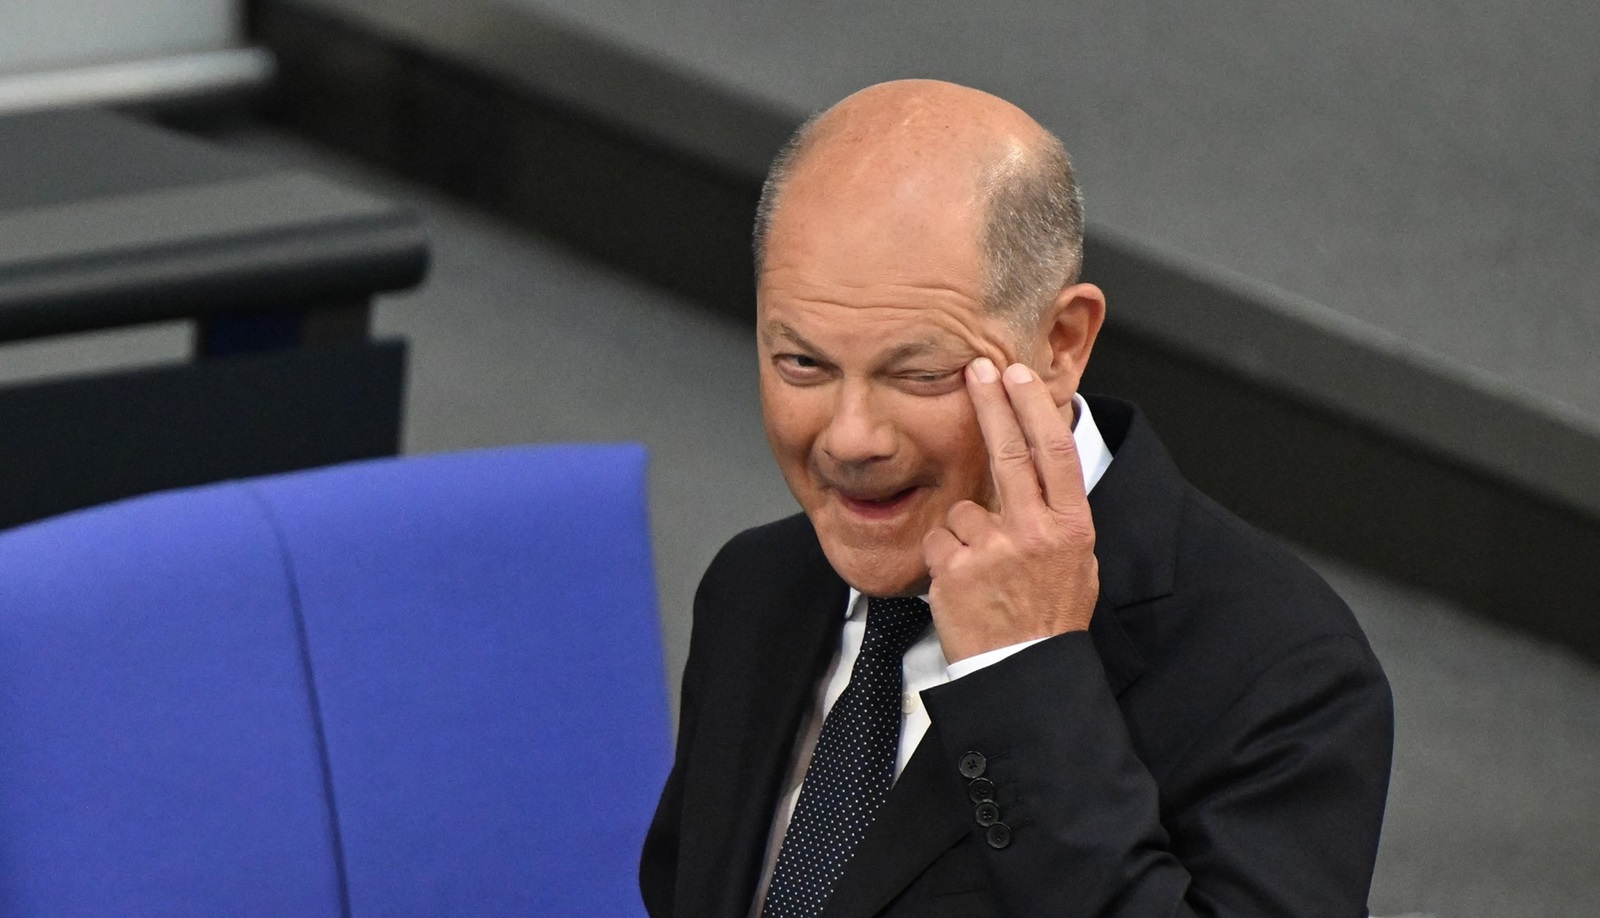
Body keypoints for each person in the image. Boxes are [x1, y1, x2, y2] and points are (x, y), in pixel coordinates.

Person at [640, 79, 1392, 917]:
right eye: (802, 366)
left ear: (1063, 343)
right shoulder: (756, 586)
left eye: (919, 374)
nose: (850, 437)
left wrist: (1024, 678)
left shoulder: (1279, 668)